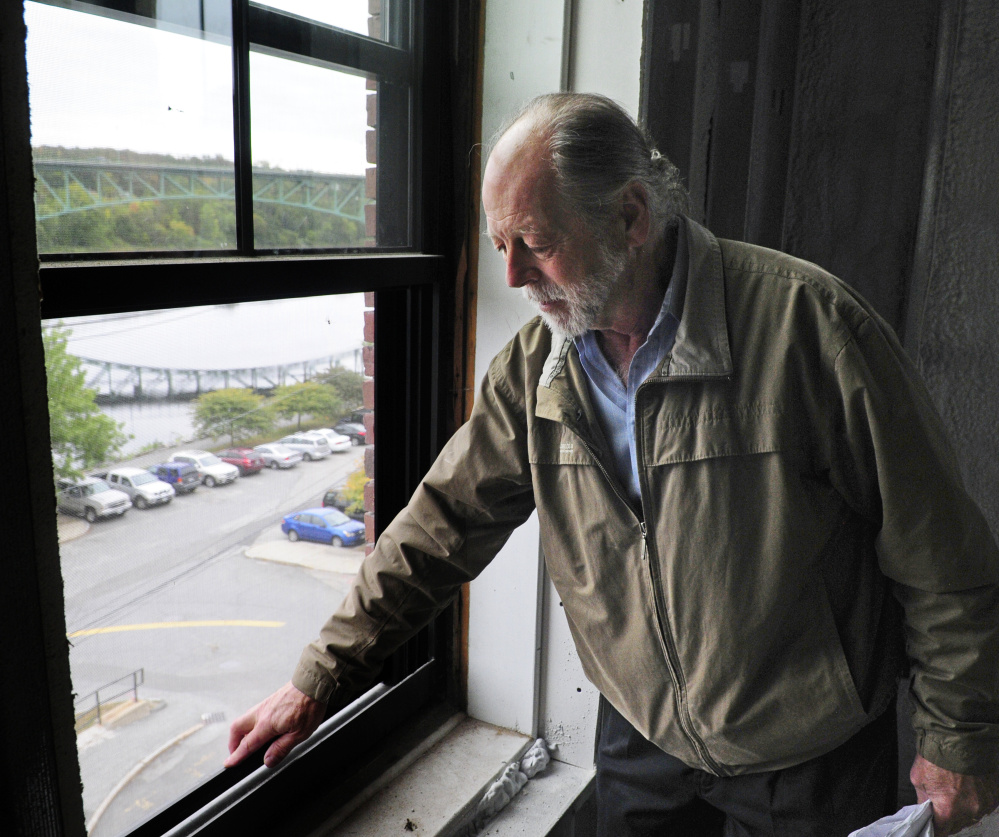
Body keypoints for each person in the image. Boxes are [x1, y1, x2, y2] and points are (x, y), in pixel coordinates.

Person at [226, 93, 999, 836]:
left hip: (809, 749)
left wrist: (957, 736)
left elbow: (938, 555)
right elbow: (439, 525)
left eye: (536, 241)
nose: (513, 276)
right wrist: (317, 677)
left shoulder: (810, 327)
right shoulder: (533, 372)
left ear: (630, 215)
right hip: (641, 739)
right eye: (501, 245)